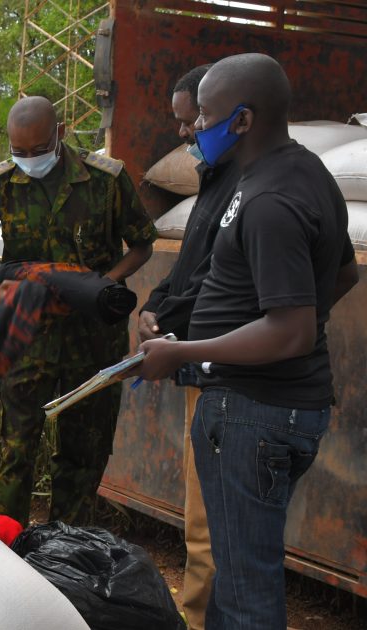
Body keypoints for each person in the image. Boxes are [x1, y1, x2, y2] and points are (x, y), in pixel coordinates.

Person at [137, 53, 357, 630]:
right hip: (266, 406)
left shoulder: (269, 201)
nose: (193, 129)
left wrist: (184, 352)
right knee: (237, 577)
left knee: (244, 592)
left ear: (242, 119)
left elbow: (291, 329)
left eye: (203, 116)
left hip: (251, 413)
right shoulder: (302, 172)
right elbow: (343, 275)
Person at [0, 96, 156, 527]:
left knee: (84, 452)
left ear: (60, 133)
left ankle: (68, 546)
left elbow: (142, 244)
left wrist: (102, 285)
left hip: (93, 337)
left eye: (39, 149)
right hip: (26, 335)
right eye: (19, 150)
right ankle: (8, 546)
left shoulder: (105, 179)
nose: (29, 159)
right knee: (16, 449)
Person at [137, 63, 233, 630]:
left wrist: (173, 321)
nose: (184, 131)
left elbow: (222, 281)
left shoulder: (255, 187)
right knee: (201, 514)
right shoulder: (213, 178)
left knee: (213, 518)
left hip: (226, 372)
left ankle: (199, 619)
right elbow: (190, 268)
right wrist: (153, 306)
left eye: (192, 118)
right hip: (200, 362)